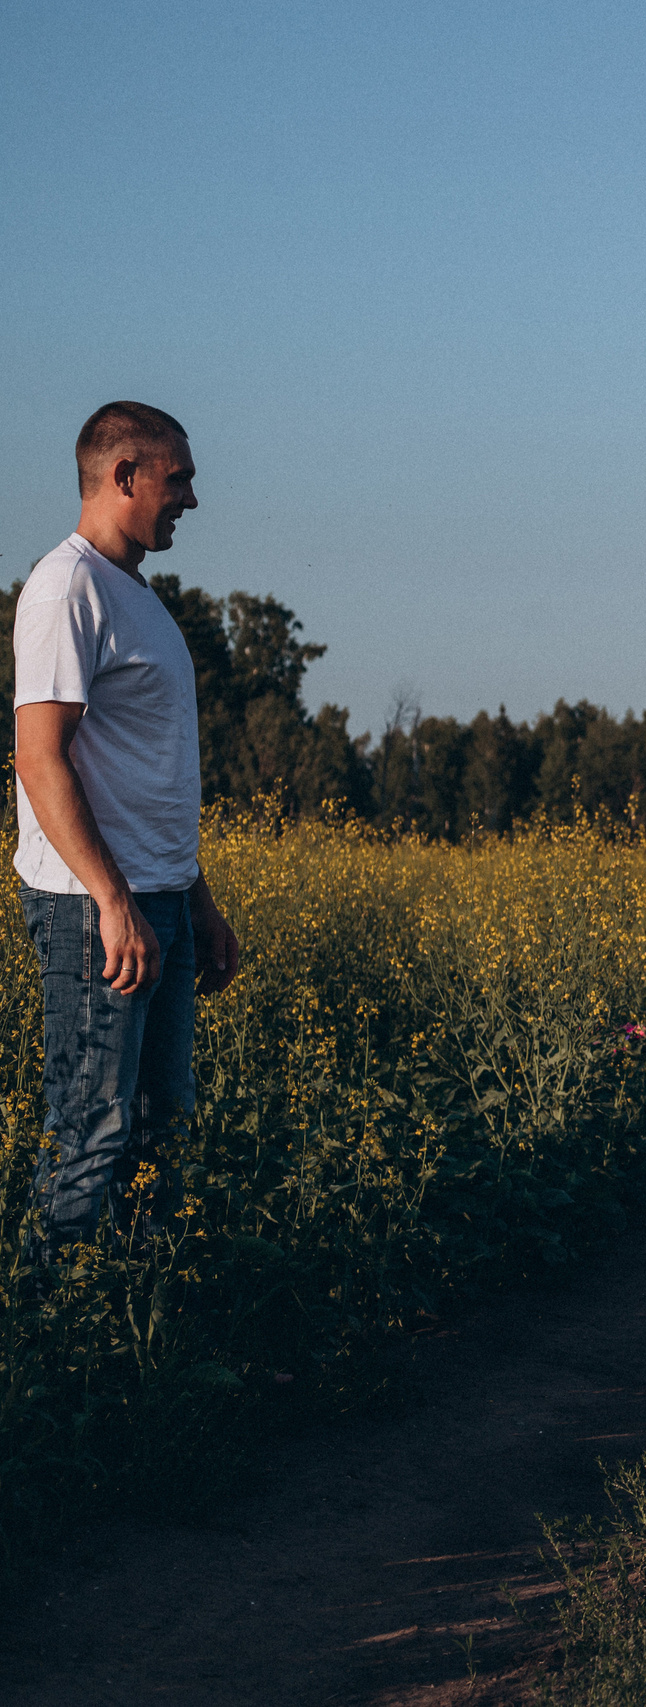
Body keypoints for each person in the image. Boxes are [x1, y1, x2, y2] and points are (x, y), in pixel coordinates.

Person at [15, 402, 242, 1266]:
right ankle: (44, 1350)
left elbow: (150, 780)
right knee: (91, 1139)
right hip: (94, 912)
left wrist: (198, 900)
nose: (190, 498)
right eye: (177, 478)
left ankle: (140, 1338)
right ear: (123, 477)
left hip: (161, 902)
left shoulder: (134, 596)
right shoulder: (66, 586)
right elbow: (39, 760)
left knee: (158, 1140)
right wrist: (112, 900)